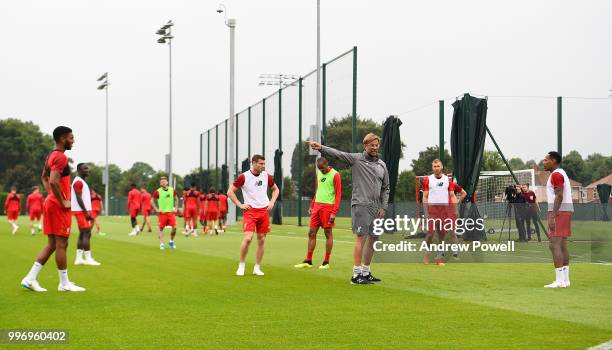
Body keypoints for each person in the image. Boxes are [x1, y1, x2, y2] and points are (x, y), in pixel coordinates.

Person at [307, 133, 390, 285]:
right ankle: (356, 274)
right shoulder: (356, 159)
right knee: (361, 237)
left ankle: (366, 272)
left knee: (373, 238)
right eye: (371, 145)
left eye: (376, 145)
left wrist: (383, 207)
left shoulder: (382, 165)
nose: (375, 148)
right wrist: (321, 148)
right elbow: (339, 154)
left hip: (376, 208)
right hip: (361, 205)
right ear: (365, 146)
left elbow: (386, 188)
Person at [20, 126, 86, 292]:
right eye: (71, 138)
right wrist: (62, 200)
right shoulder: (61, 157)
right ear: (62, 139)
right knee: (61, 243)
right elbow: (55, 181)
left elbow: (44, 177)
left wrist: (51, 194)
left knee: (52, 244)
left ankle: (30, 278)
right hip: (58, 205)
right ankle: (64, 284)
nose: (73, 141)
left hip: (51, 202)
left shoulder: (51, 155)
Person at [228, 154, 279, 276]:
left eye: (264, 164)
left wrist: (272, 202)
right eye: (261, 163)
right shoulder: (243, 177)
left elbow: (275, 189)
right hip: (250, 212)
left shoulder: (266, 176)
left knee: (261, 240)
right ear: (254, 163)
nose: (263, 166)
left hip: (264, 212)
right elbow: (230, 192)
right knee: (247, 238)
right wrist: (240, 205)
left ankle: (257, 267)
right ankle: (241, 265)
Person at [294, 157, 341, 269]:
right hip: (317, 207)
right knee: (311, 233)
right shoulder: (319, 173)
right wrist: (312, 205)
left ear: (327, 164)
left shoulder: (335, 175)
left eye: (323, 169)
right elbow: (318, 191)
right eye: (320, 169)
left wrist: (334, 212)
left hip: (328, 208)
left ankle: (326, 262)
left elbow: (338, 194)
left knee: (328, 233)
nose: (322, 171)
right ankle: (308, 260)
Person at [543, 151, 573, 288]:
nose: (543, 162)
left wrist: (553, 216)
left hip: (559, 212)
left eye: (546, 160)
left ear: (553, 160)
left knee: (554, 245)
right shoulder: (561, 173)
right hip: (565, 210)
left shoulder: (556, 174)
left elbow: (559, 195)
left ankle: (559, 280)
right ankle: (565, 280)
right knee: (562, 245)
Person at [422, 160, 457, 266]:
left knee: (442, 235)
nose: (436, 168)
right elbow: (425, 196)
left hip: (444, 211)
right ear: (432, 168)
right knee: (430, 234)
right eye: (434, 166)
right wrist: (426, 211)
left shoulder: (448, 180)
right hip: (432, 211)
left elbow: (452, 195)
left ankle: (439, 258)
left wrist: (455, 209)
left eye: (438, 166)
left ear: (442, 167)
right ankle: (427, 253)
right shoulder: (428, 180)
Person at [71, 163, 101, 266]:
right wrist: (85, 212)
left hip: (81, 211)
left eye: (87, 168)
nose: (87, 170)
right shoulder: (78, 182)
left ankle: (79, 258)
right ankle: (88, 259)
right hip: (81, 212)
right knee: (87, 233)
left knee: (82, 233)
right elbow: (78, 198)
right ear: (79, 170)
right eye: (85, 168)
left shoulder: (80, 181)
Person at [151, 177, 179, 250]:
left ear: (167, 182)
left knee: (175, 228)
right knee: (161, 229)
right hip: (162, 213)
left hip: (171, 213)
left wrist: (176, 208)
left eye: (164, 181)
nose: (163, 183)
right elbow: (152, 201)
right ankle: (162, 244)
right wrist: (156, 209)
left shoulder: (172, 190)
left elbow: (176, 198)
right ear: (160, 183)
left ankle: (171, 241)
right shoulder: (158, 191)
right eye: (161, 182)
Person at [448, 180, 467, 258]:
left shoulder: (451, 184)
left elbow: (464, 193)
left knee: (452, 232)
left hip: (451, 211)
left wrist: (458, 202)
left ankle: (455, 253)